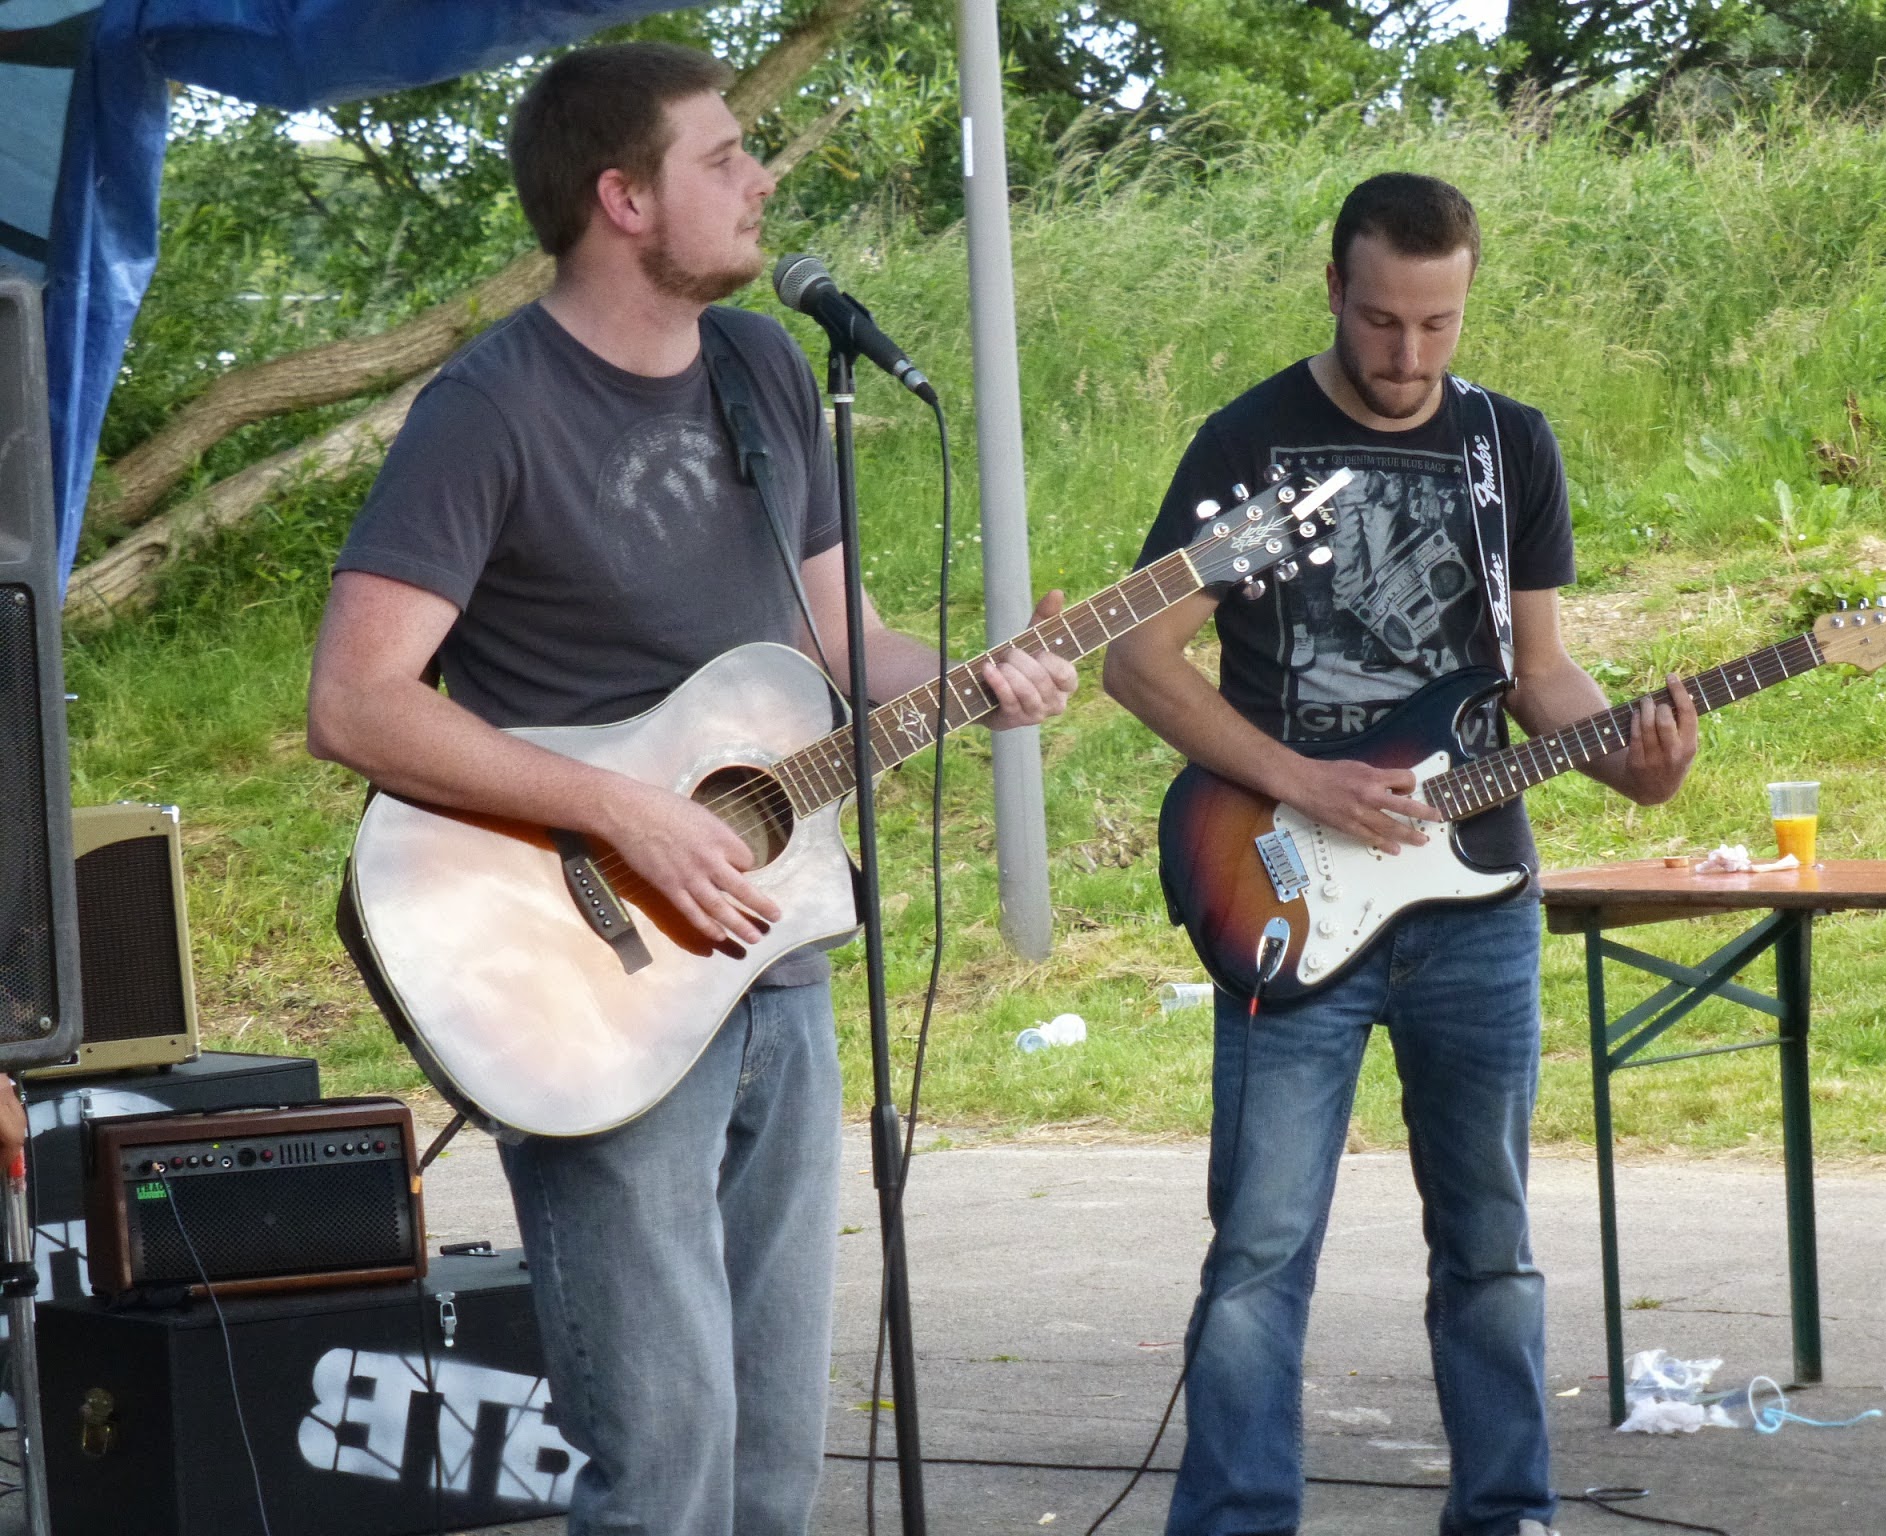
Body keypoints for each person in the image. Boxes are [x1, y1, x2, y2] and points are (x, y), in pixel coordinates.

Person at [304, 42, 1076, 1536]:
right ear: (624, 199)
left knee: (776, 1452)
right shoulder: (492, 408)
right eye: (722, 158)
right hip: (592, 968)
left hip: (777, 948)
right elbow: (356, 701)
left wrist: (984, 673)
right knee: (661, 1458)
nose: (761, 178)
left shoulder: (765, 370)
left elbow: (837, 643)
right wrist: (622, 809)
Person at [1102, 172, 1698, 1536]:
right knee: (1259, 1250)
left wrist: (1635, 761)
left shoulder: (1507, 449)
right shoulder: (1256, 451)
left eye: (1437, 325)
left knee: (1492, 1242)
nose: (1408, 356)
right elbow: (1143, 660)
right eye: (1381, 322)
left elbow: (1538, 674)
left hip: (1476, 897)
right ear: (1333, 289)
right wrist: (1298, 775)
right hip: (1288, 881)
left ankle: (1510, 1513)